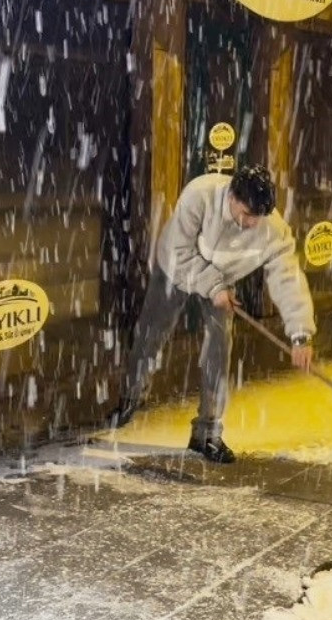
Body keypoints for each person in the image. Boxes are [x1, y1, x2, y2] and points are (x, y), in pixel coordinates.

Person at [110, 165, 316, 463]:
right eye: (245, 214)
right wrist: (212, 285)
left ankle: (207, 432)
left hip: (222, 280)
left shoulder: (272, 229)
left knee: (219, 351)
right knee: (150, 335)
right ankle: (131, 397)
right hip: (176, 269)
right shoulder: (200, 194)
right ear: (231, 196)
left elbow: (288, 279)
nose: (250, 224)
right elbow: (180, 252)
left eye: (257, 218)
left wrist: (300, 335)